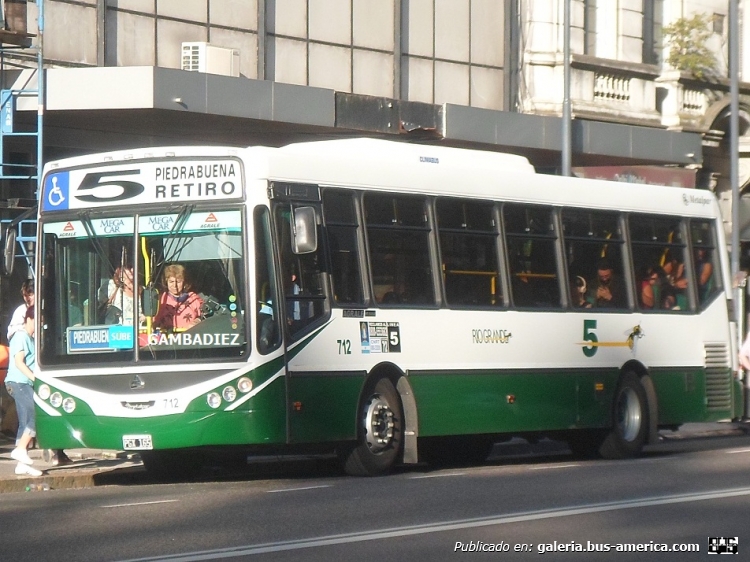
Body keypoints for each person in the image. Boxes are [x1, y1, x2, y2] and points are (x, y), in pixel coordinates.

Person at [5, 306, 42, 477]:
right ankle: (20, 450)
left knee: (25, 420)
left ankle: (21, 463)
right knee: (37, 413)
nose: (39, 325)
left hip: (24, 383)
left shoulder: (31, 338)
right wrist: (35, 378)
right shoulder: (20, 336)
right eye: (37, 321)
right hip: (19, 382)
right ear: (28, 319)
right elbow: (19, 362)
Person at [152, 264, 204, 330]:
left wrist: (198, 321)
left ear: (185, 282)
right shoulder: (160, 300)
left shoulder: (194, 299)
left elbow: (204, 316)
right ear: (166, 282)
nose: (175, 285)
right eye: (171, 282)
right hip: (165, 338)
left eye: (178, 282)